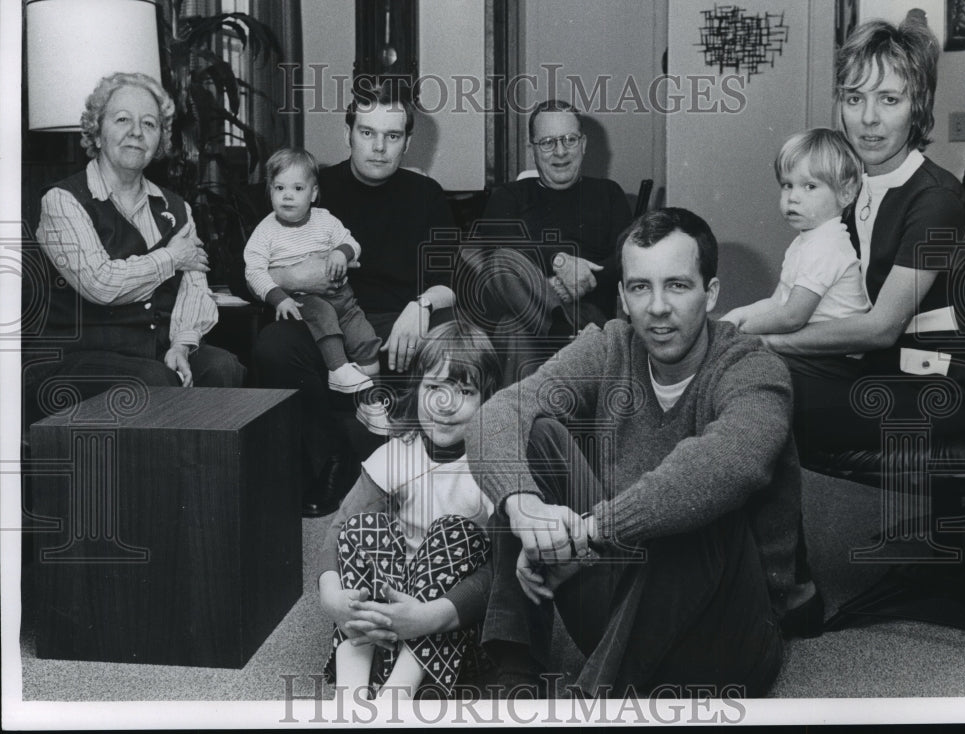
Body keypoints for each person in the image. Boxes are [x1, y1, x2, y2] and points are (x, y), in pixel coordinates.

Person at [465, 208, 805, 698]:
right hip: (618, 609)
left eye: (678, 286)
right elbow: (499, 414)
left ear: (710, 294)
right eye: (641, 287)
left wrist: (588, 534)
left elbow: (730, 464)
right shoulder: (609, 347)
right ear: (622, 297)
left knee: (698, 498)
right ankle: (516, 674)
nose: (658, 306)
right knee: (532, 435)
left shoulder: (753, 368)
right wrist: (525, 511)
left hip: (727, 637)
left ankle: (593, 703)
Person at [757, 19, 965, 459]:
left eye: (889, 99)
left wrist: (767, 341)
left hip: (935, 389)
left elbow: (880, 329)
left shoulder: (938, 200)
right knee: (743, 376)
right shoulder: (848, 186)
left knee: (755, 391)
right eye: (854, 98)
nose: (869, 118)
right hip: (870, 369)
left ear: (918, 106)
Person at [253, 83, 458, 517]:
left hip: (396, 322)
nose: (379, 147)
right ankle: (331, 458)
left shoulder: (427, 195)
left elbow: (451, 280)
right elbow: (249, 268)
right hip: (321, 320)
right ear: (348, 134)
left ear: (408, 141)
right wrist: (292, 275)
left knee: (449, 346)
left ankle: (421, 469)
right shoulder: (310, 186)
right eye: (367, 133)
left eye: (393, 136)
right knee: (273, 344)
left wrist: (420, 306)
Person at [26, 71, 244, 418]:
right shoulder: (63, 201)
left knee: (223, 368)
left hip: (155, 349)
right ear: (97, 132)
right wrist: (172, 257)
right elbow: (100, 283)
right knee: (154, 379)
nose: (137, 132)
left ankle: (207, 472)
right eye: (123, 119)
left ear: (161, 140)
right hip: (75, 359)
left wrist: (181, 345)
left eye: (150, 124)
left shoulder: (175, 207)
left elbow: (194, 289)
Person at [317, 321, 502, 699]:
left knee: (455, 531)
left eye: (464, 391)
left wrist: (430, 615)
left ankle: (395, 698)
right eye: (434, 387)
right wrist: (333, 599)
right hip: (385, 630)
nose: (445, 405)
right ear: (416, 389)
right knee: (361, 528)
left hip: (452, 637)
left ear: (488, 400)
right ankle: (350, 694)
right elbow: (338, 535)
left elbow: (500, 573)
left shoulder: (493, 466)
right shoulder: (398, 454)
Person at [463, 100, 632, 383]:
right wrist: (560, 261)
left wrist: (570, 289)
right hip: (552, 325)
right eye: (548, 142)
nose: (561, 151)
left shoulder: (609, 194)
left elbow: (627, 258)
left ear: (584, 144)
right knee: (504, 269)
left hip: (588, 317)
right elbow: (498, 248)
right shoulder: (509, 195)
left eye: (569, 139)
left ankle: (522, 423)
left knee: (512, 327)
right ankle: (556, 326)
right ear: (532, 149)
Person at [244, 148, 383, 408]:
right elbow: (253, 272)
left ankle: (372, 400)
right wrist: (278, 298)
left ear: (314, 193)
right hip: (304, 299)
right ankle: (338, 368)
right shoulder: (265, 232)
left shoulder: (325, 220)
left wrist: (342, 254)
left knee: (365, 337)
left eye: (297, 188)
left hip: (344, 298)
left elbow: (350, 241)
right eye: (279, 187)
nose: (287, 195)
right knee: (322, 314)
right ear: (270, 191)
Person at [721, 128, 870, 335]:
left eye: (809, 186)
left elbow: (792, 318)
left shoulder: (826, 247)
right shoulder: (806, 242)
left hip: (834, 359)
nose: (793, 197)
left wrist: (742, 333)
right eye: (787, 185)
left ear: (846, 193)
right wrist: (735, 317)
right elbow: (778, 304)